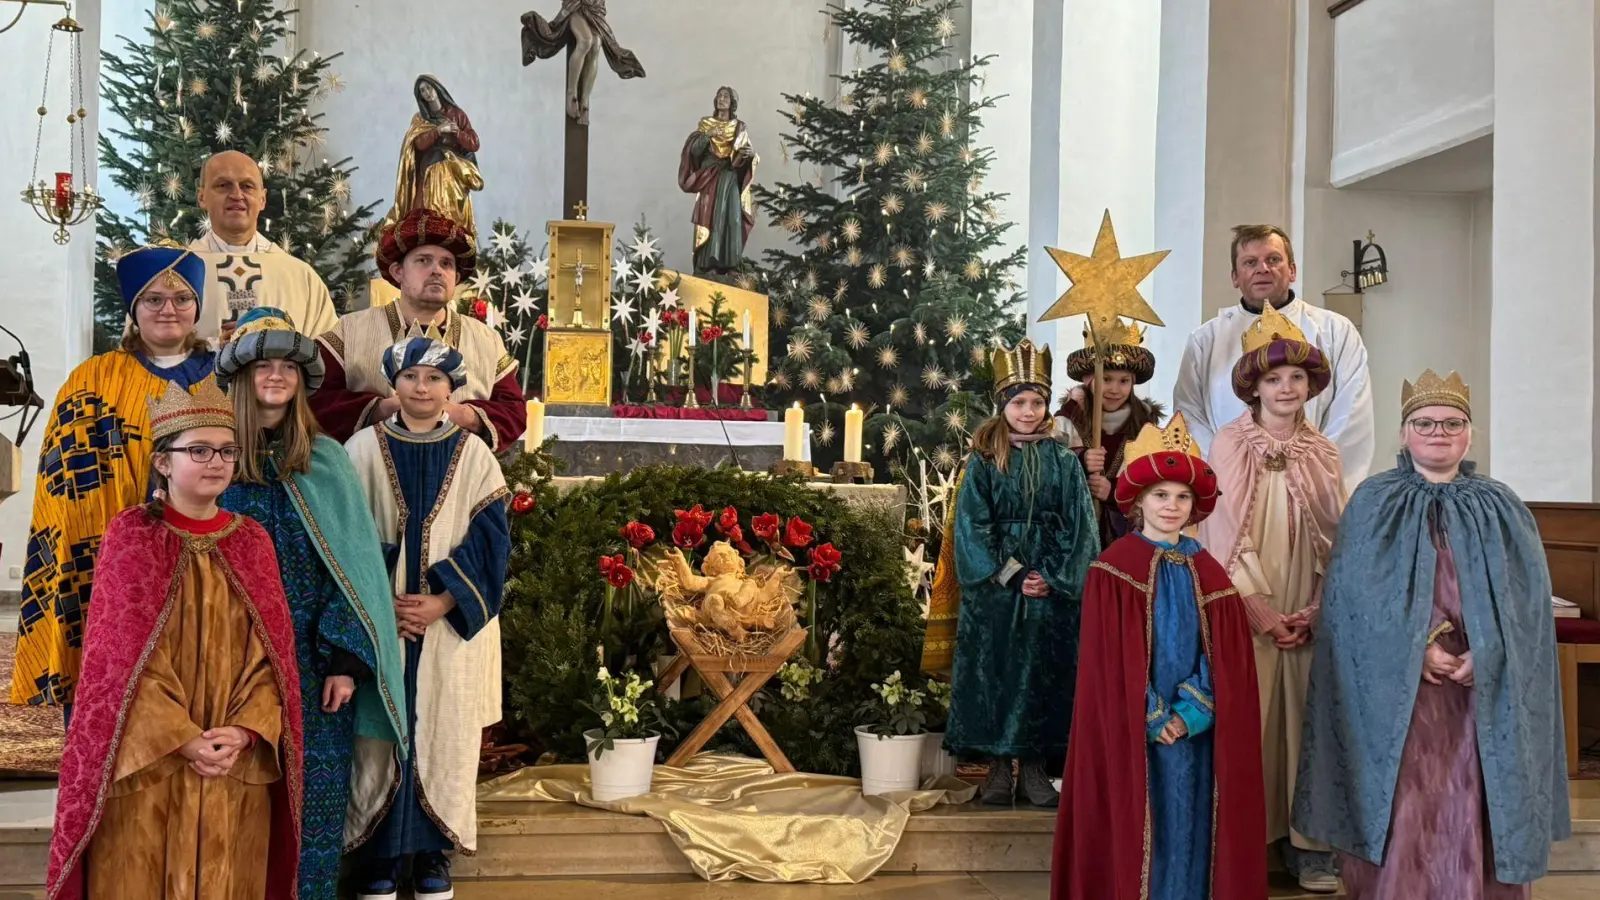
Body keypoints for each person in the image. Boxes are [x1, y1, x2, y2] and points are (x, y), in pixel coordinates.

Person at [1293, 370, 1570, 899]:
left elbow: (1526, 604)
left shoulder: (1502, 504)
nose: (1438, 432)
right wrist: (1412, 650)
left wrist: (1488, 651)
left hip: (1480, 691)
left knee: (1479, 793)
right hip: (1400, 697)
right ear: (1404, 432)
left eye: (1451, 422)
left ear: (1470, 434)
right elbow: (1350, 600)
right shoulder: (1374, 500)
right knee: (1406, 801)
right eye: (1424, 422)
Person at [44, 379, 304, 900]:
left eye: (228, 451)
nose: (217, 462)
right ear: (163, 462)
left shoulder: (252, 540)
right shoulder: (132, 535)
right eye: (199, 450)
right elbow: (118, 662)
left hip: (235, 765)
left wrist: (245, 731)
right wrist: (179, 736)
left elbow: (272, 658)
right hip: (149, 764)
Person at [214, 307, 409, 900]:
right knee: (237, 798)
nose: (275, 376)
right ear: (241, 379)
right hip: (229, 659)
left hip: (313, 662)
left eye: (287, 367)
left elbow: (353, 570)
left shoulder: (325, 461)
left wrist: (347, 663)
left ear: (301, 381)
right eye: (262, 366)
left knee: (311, 806)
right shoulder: (213, 459)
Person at [1053, 413, 1266, 900]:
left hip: (1197, 734)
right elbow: (1107, 663)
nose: (1172, 506)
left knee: (1192, 824)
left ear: (1195, 506)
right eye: (1161, 495)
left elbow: (1229, 659)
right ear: (1139, 502)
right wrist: (1152, 714)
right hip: (1138, 732)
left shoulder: (1210, 572)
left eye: (1182, 497)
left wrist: (1193, 710)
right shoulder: (1112, 570)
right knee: (1142, 824)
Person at [10, 246, 217, 720]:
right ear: (133, 309)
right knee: (108, 699)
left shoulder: (223, 378)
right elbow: (65, 486)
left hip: (203, 555)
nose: (169, 309)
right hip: (110, 562)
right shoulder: (93, 379)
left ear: (198, 308)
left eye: (182, 298)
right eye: (154, 299)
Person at [344, 326, 511, 900]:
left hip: (447, 628)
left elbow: (491, 542)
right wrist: (379, 601)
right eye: (410, 376)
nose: (421, 386)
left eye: (434, 378)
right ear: (393, 384)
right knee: (379, 737)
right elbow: (346, 536)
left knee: (445, 732)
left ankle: (434, 855)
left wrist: (442, 599)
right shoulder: (361, 449)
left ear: (452, 390)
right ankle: (377, 857)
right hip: (381, 622)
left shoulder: (476, 455)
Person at [1196, 302, 1346, 892]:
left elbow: (1335, 535)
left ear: (1310, 387)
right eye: (1274, 378)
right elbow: (1222, 530)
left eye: (1297, 379)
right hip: (1248, 605)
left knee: (1309, 721)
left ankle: (1309, 845)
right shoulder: (1230, 445)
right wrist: (1257, 606)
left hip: (1308, 607)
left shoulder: (1324, 451)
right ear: (1253, 388)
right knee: (1251, 719)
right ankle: (1246, 839)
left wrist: (1314, 608)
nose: (1287, 388)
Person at [945, 339, 1099, 808]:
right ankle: (995, 769)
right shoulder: (986, 461)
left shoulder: (1063, 461)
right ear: (1003, 405)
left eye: (1036, 402)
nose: (1028, 412)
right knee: (997, 671)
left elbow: (1080, 526)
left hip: (1048, 590)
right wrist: (1010, 572)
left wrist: (1050, 575)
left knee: (1042, 672)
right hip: (996, 589)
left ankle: (1033, 769)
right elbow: (972, 524)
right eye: (1018, 403)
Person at [1173, 224, 1373, 492]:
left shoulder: (1335, 330)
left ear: (1292, 271)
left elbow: (1351, 413)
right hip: (1229, 486)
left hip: (1311, 485)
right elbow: (1189, 412)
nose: (1262, 269)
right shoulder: (1206, 339)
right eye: (1250, 262)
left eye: (1273, 259)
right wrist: (1224, 469)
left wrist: (1315, 471)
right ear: (1235, 276)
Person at [310, 208, 526, 452]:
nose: (437, 270)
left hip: (460, 480)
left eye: (447, 264)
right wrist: (382, 409)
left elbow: (514, 410)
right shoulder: (349, 330)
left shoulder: (486, 339)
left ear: (455, 278)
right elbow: (315, 398)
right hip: (369, 476)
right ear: (398, 272)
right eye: (424, 260)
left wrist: (463, 415)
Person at [188, 149, 339, 343]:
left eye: (247, 186)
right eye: (223, 185)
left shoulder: (300, 276)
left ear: (262, 199)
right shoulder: (179, 272)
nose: (236, 194)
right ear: (202, 197)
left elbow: (326, 354)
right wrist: (212, 348)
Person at [1056, 318, 1165, 546]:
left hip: (1126, 538)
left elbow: (1154, 482)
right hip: (1072, 535)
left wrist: (1114, 492)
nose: (1115, 389)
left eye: (1124, 381)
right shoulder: (1066, 422)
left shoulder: (1146, 429)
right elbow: (1049, 469)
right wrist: (1080, 458)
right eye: (1105, 379)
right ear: (1089, 381)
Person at [385, 74, 483, 236]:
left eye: (429, 88)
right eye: (422, 91)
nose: (427, 93)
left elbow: (474, 143)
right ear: (420, 96)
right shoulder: (420, 119)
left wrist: (457, 132)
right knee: (426, 210)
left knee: (452, 216)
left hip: (454, 172)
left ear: (437, 89)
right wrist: (438, 131)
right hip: (430, 168)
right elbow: (417, 144)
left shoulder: (457, 114)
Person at [678, 86, 759, 276]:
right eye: (719, 96)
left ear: (732, 103)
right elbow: (695, 152)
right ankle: (708, 264)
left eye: (726, 96)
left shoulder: (739, 127)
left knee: (732, 217)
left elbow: (745, 155)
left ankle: (731, 264)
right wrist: (708, 135)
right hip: (709, 177)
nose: (721, 99)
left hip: (729, 176)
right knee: (710, 218)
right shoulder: (706, 124)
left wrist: (750, 155)